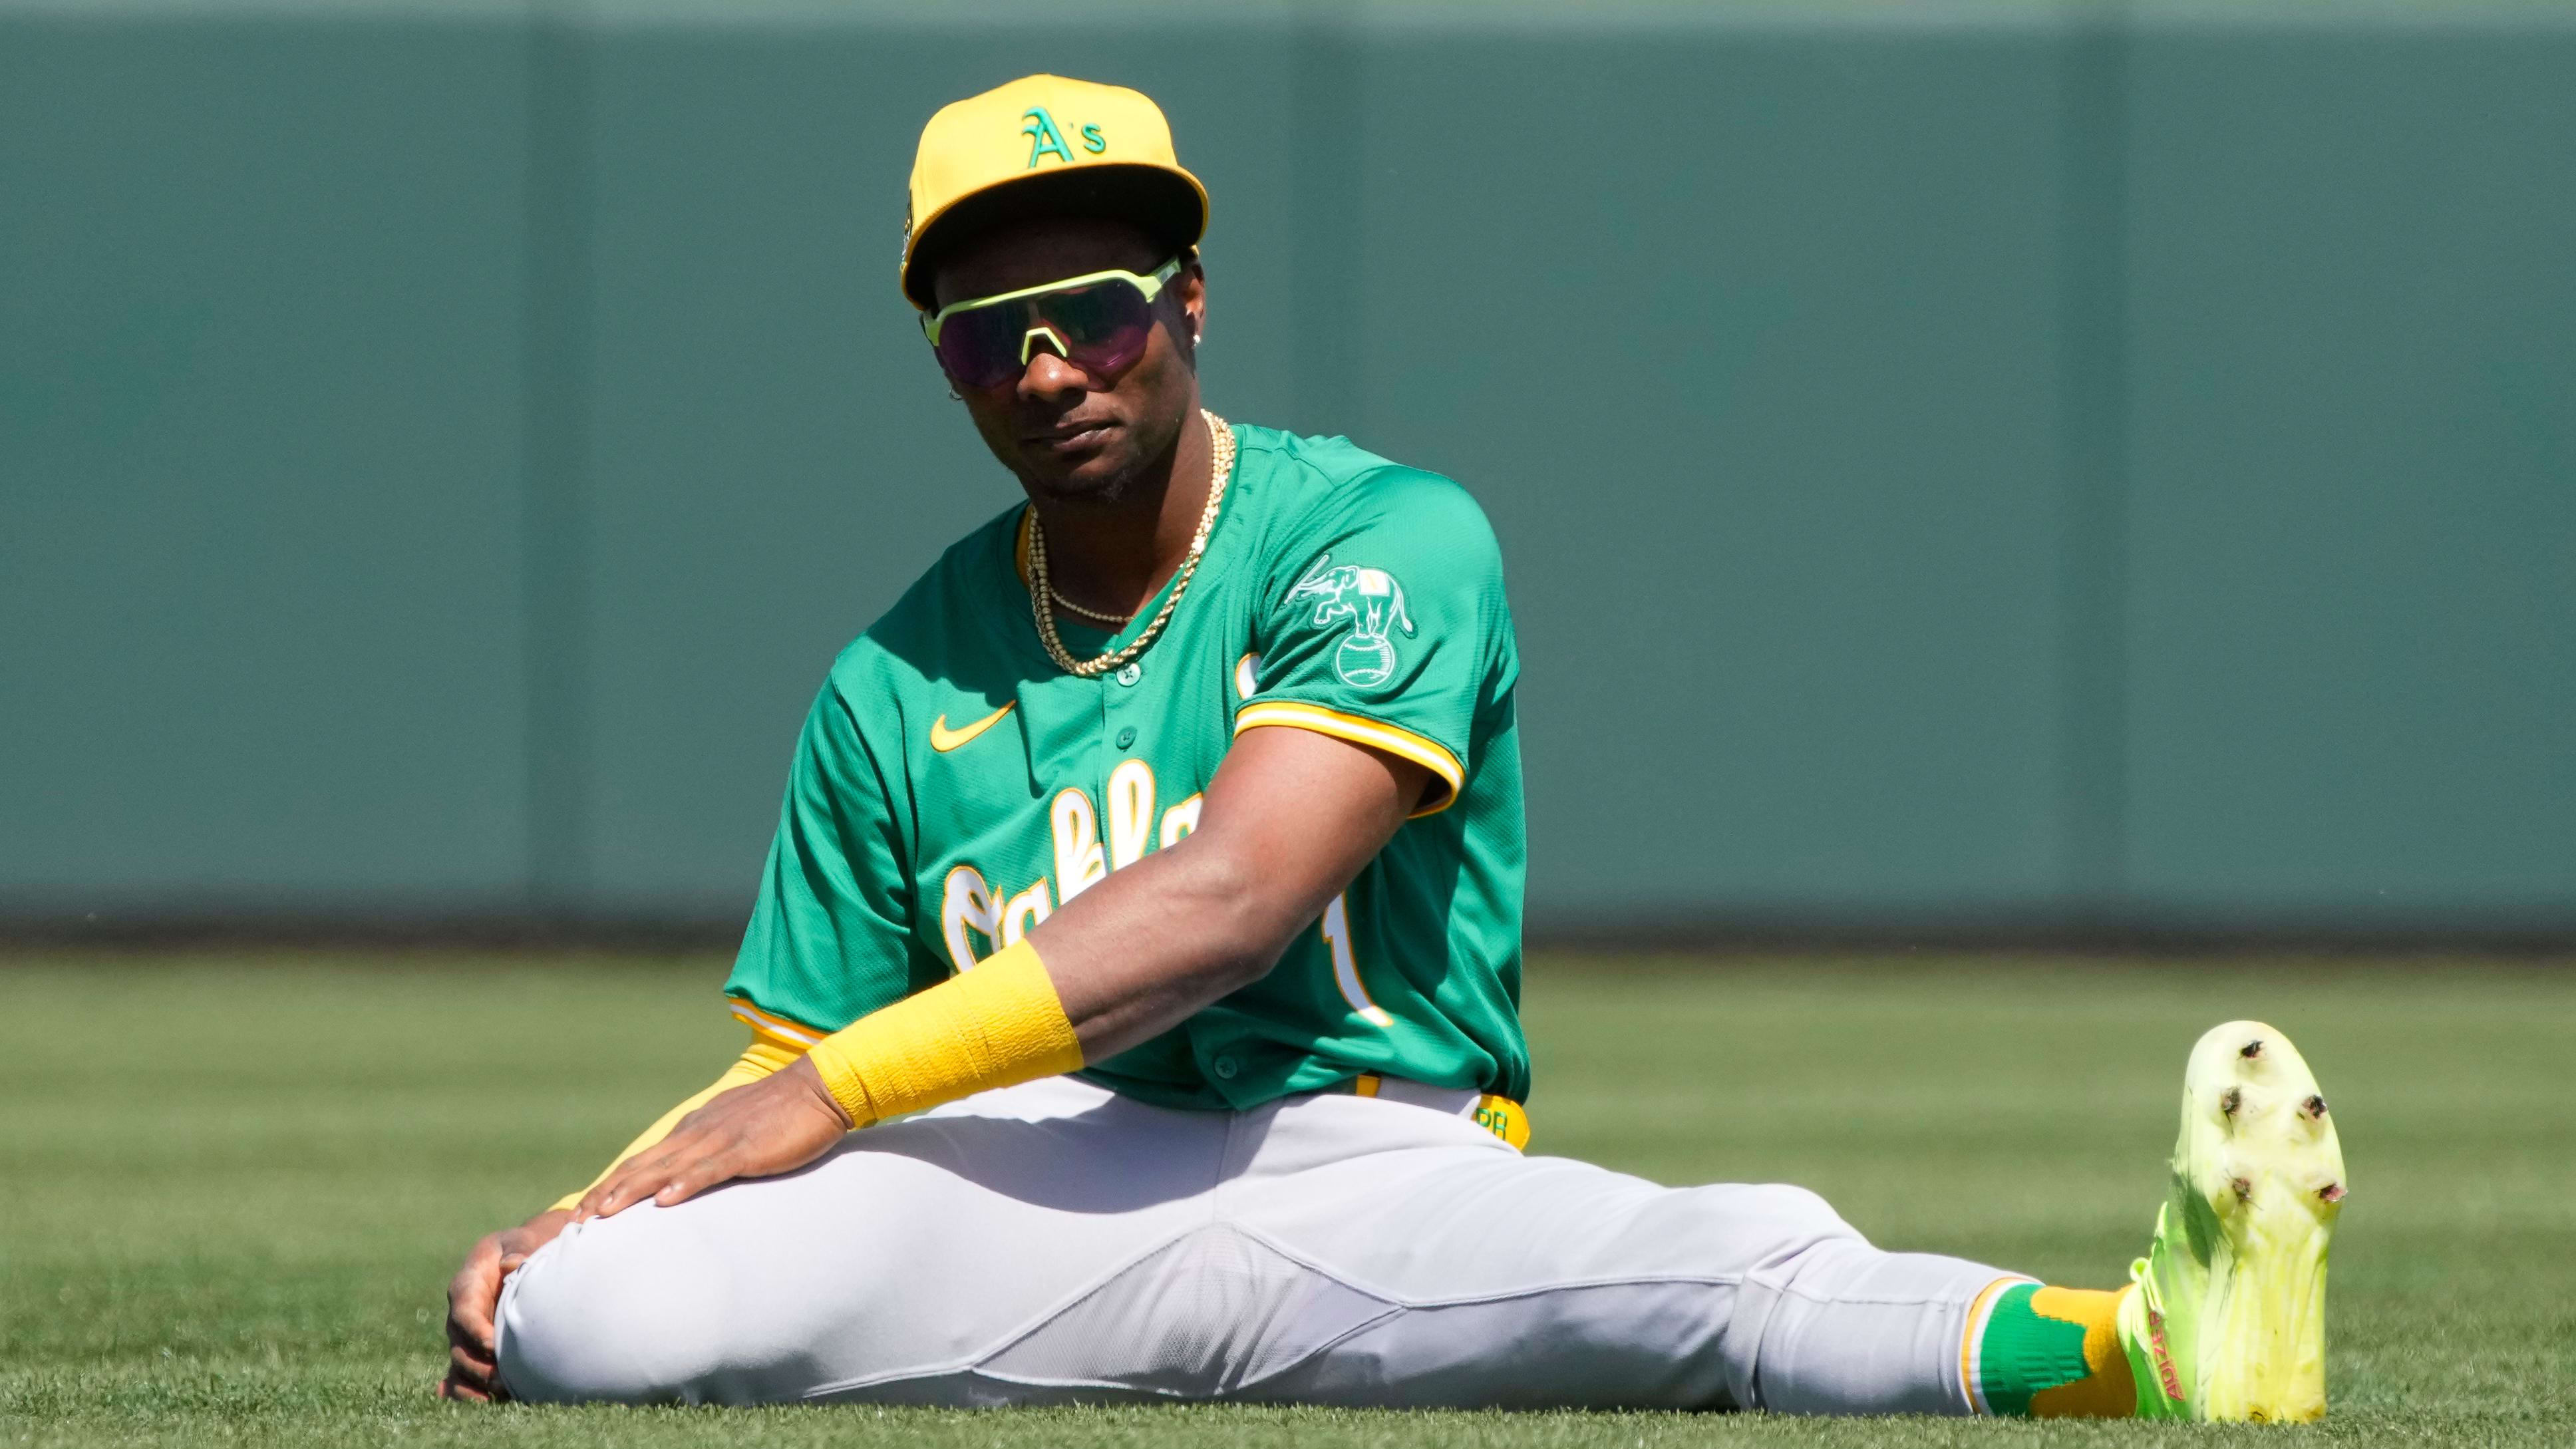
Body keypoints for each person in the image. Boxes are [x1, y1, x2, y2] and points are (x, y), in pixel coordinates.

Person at [438, 74, 2344, 1420]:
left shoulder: (1375, 536)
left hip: (1364, 1159)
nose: (1045, 368)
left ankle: (2145, 1343)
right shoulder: (892, 674)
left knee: (1720, 1276)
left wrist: (839, 1096)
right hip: (1026, 1187)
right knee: (587, 1322)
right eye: (984, 335)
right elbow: (781, 1076)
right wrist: (583, 1207)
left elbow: (1236, 899)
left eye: (1092, 313)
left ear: (1186, 305)